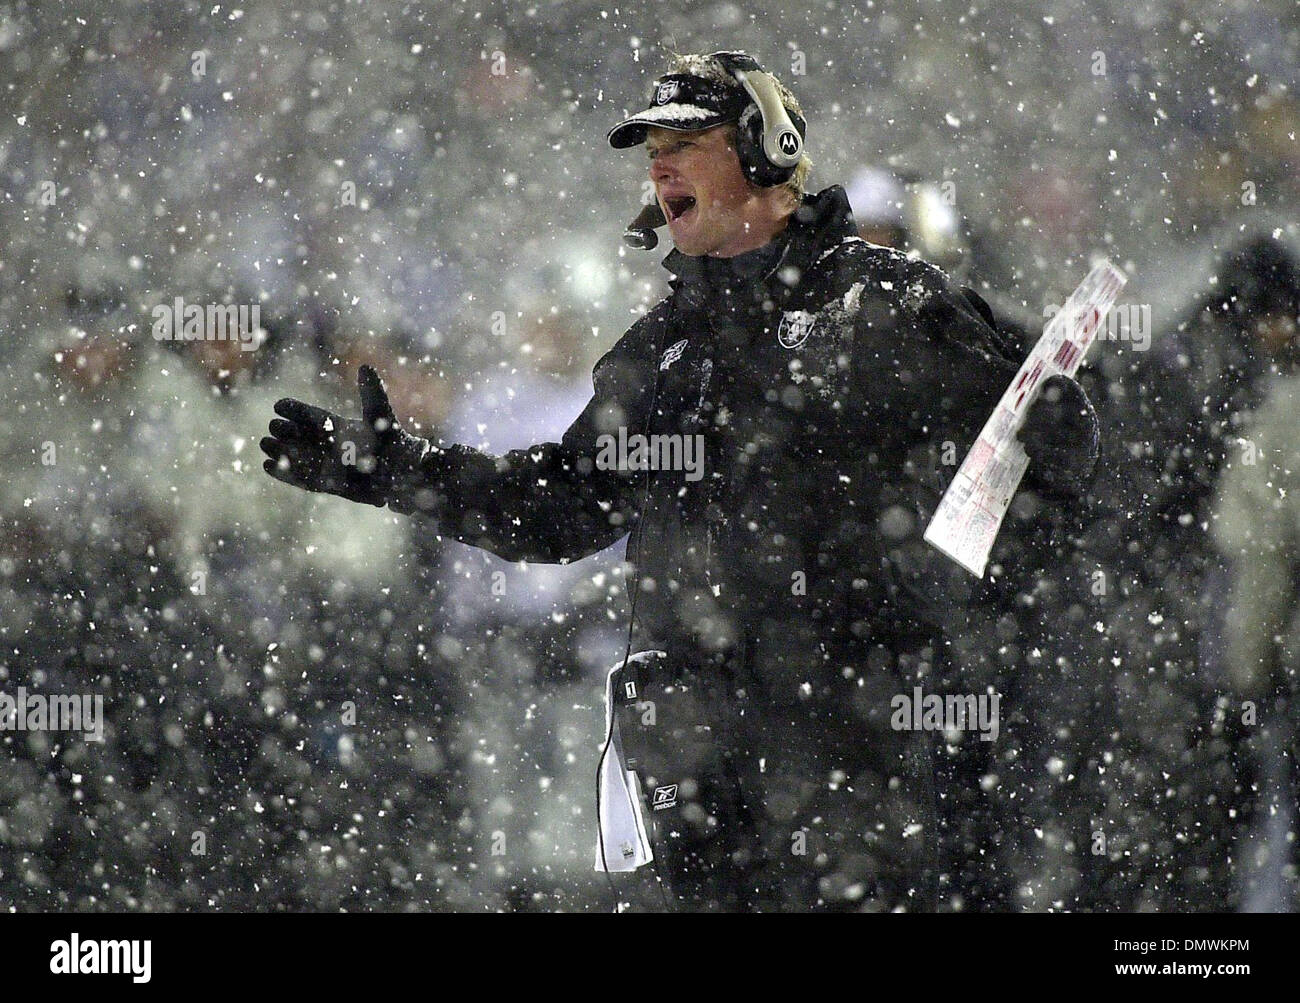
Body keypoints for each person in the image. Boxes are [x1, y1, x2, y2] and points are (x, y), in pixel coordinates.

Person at [260, 50, 1099, 911]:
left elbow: (1028, 518)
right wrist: (398, 470)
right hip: (706, 794)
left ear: (765, 149)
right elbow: (557, 508)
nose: (659, 164)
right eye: (652, 147)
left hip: (872, 767)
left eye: (685, 141)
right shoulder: (661, 355)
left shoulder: (892, 306)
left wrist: (1061, 455)